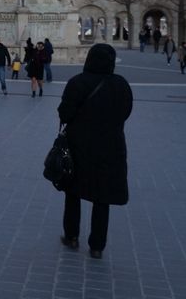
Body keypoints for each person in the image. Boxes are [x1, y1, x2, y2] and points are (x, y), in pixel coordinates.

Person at [57, 43, 131, 259]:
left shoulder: (77, 83)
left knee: (73, 192)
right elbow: (126, 112)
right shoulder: (121, 85)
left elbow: (64, 114)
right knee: (102, 197)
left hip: (79, 146)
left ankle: (71, 236)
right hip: (111, 148)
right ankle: (97, 246)